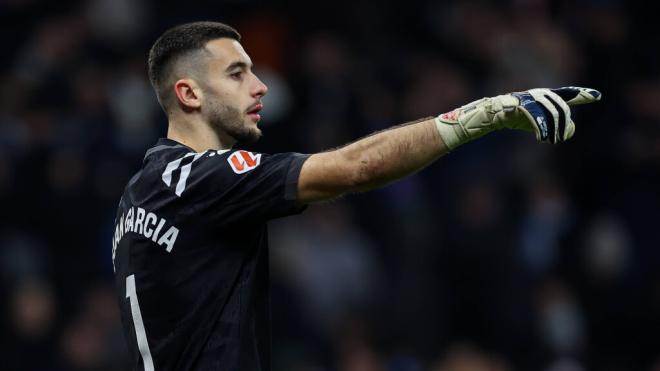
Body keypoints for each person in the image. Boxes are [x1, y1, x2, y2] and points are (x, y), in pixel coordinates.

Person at [111, 21, 600, 371]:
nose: (260, 86)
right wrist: (484, 114)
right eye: (237, 74)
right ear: (190, 94)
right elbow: (357, 168)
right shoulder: (199, 179)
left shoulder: (139, 193)